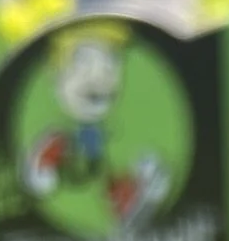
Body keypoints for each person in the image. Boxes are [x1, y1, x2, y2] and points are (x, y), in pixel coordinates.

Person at [22, 20, 170, 226]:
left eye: (109, 66)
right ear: (55, 73)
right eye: (83, 65)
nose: (97, 79)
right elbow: (38, 183)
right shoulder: (54, 130)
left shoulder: (131, 126)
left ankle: (129, 201)